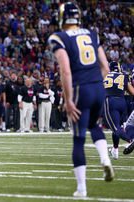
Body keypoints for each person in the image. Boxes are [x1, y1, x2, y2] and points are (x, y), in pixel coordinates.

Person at [48, 2, 114, 197]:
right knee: (95, 126)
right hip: (97, 86)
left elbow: (66, 71)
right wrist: (97, 86)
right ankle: (105, 160)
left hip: (80, 88)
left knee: (78, 139)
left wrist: (68, 99)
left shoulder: (58, 37)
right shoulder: (92, 34)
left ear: (62, 17)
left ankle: (82, 189)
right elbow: (106, 68)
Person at [103, 61, 134, 159]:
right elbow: (132, 92)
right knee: (118, 127)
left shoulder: (104, 75)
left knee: (115, 128)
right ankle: (115, 150)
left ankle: (130, 141)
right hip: (122, 102)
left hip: (110, 101)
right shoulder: (123, 76)